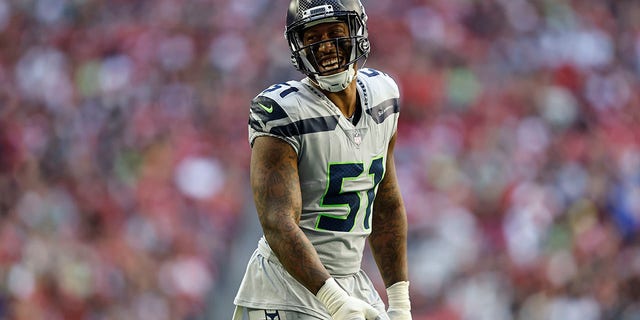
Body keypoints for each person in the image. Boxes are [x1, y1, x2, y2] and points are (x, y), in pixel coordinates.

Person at [233, 0, 411, 319]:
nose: (326, 46)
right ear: (297, 47)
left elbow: (385, 202)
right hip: (286, 290)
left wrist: (399, 303)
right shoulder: (281, 112)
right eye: (313, 39)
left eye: (334, 33)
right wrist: (334, 300)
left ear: (357, 31)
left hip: (352, 282)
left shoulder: (383, 97)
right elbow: (277, 220)